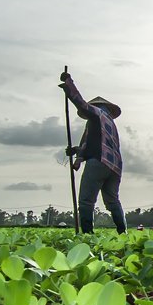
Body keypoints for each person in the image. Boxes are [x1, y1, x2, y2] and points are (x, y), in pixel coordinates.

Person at [58, 70, 127, 234]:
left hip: (99, 162)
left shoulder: (97, 114)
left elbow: (81, 104)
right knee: (112, 201)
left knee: (86, 201)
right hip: (115, 167)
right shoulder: (110, 123)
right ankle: (122, 232)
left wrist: (69, 84)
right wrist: (76, 150)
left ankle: (87, 234)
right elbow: (94, 144)